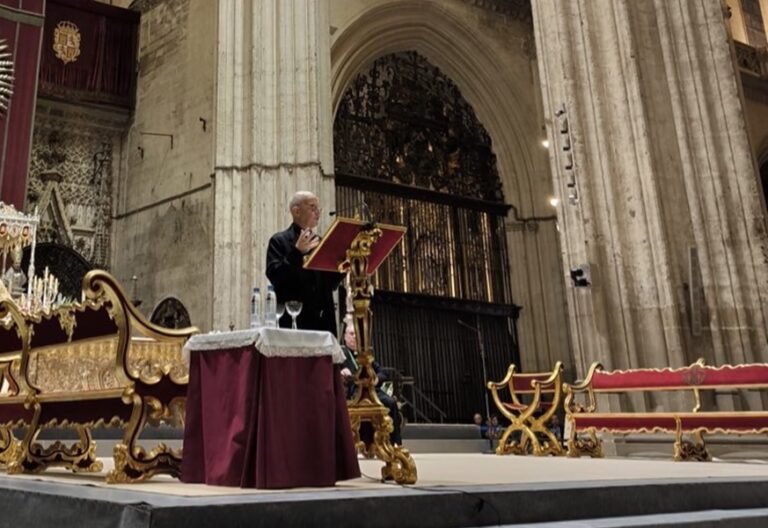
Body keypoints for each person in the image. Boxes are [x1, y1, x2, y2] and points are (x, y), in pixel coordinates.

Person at [265, 191, 343, 335]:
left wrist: (343, 262)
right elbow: (276, 277)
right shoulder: (279, 241)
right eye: (312, 208)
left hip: (324, 323)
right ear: (296, 211)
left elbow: (331, 284)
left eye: (318, 209)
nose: (317, 213)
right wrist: (297, 252)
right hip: (294, 322)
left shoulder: (322, 243)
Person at [340, 319, 402, 446]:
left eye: (356, 334)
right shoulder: (341, 355)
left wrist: (376, 378)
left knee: (390, 402)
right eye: (351, 334)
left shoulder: (365, 356)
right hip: (354, 393)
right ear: (345, 337)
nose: (354, 337)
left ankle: (395, 444)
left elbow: (384, 373)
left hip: (372, 391)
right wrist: (341, 372)